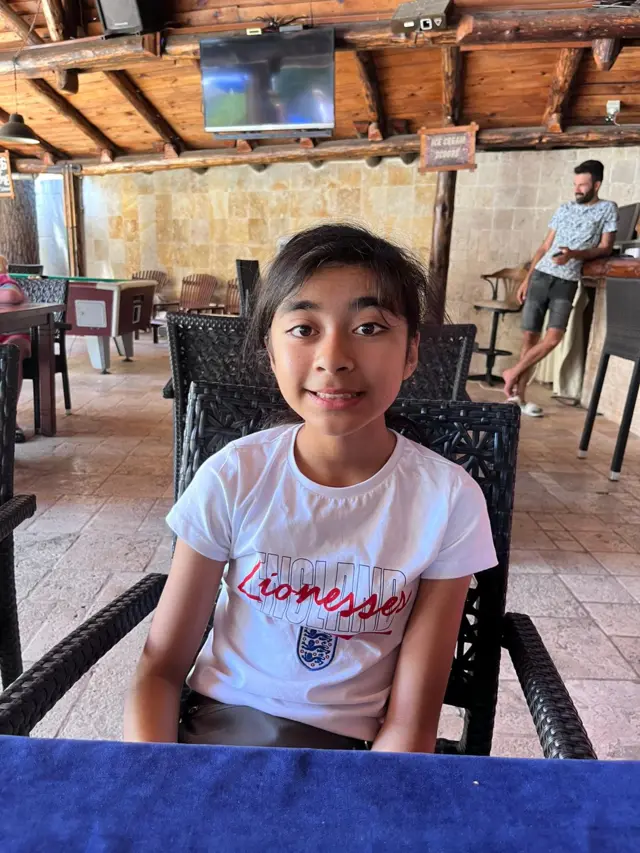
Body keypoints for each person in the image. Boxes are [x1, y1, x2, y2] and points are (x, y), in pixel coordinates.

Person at [124, 224, 497, 752]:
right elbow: (159, 670)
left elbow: (412, 722)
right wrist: (157, 785)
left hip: (353, 760)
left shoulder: (448, 501)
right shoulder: (235, 477)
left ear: (412, 352)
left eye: (369, 327)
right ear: (271, 353)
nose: (334, 357)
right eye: (303, 328)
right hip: (216, 735)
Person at [503, 160, 618, 417]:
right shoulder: (564, 208)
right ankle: (517, 398)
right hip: (541, 276)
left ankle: (512, 372)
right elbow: (544, 248)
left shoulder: (608, 209)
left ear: (596, 185)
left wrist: (574, 254)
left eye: (583, 185)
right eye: (575, 184)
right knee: (529, 337)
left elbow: (606, 248)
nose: (577, 189)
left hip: (566, 281)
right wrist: (526, 279)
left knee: (553, 337)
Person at [0, 256, 31, 443]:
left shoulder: (7, 283)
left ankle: (9, 420)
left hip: (16, 337)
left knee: (11, 352)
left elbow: (11, 296)